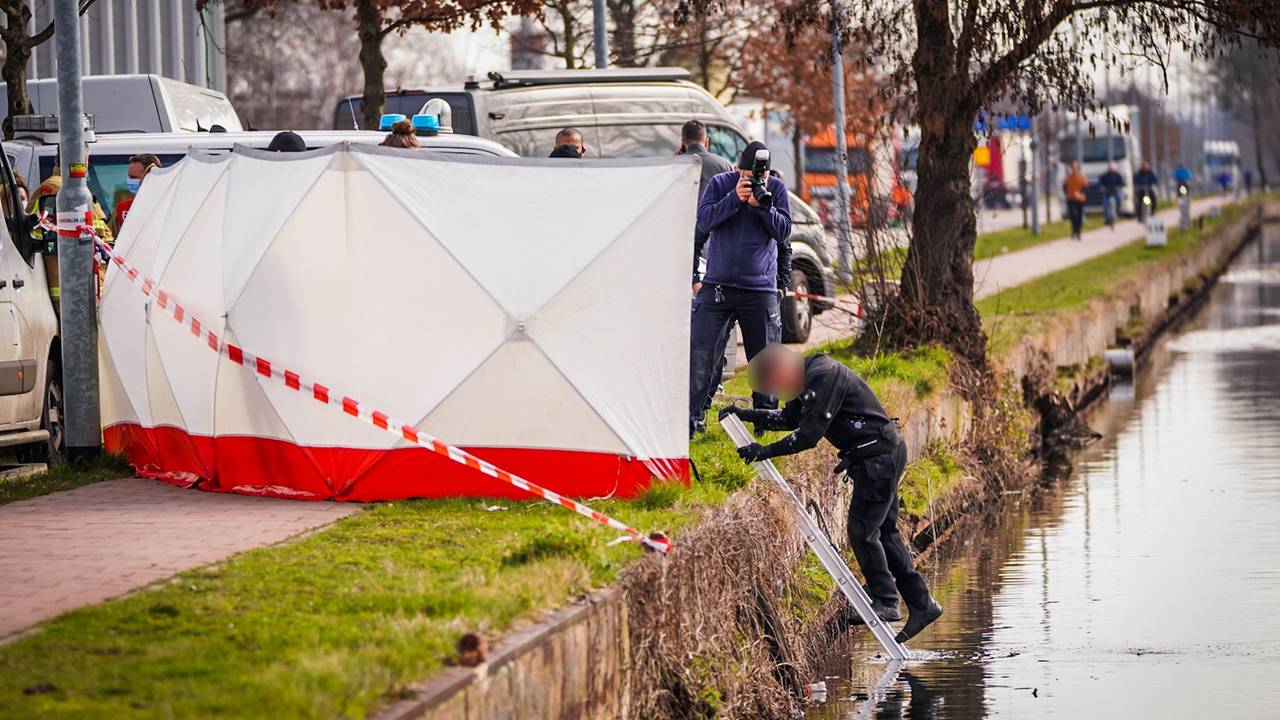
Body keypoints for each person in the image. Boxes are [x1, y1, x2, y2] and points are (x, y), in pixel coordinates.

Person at [721, 344, 943, 643]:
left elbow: (809, 435)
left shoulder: (823, 377)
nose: (781, 392)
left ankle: (886, 601)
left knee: (863, 530)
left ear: (785, 370)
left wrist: (764, 452)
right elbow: (791, 419)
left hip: (879, 458)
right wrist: (747, 415)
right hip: (879, 455)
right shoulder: (810, 377)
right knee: (885, 532)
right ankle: (922, 604)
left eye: (777, 386)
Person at [688, 141, 792, 435]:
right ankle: (692, 421)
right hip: (717, 286)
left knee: (766, 361)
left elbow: (784, 234)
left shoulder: (777, 190)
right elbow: (704, 221)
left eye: (762, 176)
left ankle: (766, 423)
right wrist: (734, 199)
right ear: (737, 169)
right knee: (701, 355)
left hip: (759, 290)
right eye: (749, 176)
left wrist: (763, 208)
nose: (757, 181)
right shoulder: (722, 184)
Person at [27, 146, 114, 314]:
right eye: (86, 159)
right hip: (70, 286)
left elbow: (100, 234)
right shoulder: (60, 189)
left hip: (80, 284)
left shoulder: (75, 189)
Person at [110, 153, 161, 236]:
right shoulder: (123, 208)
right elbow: (110, 241)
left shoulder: (168, 205)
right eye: (129, 177)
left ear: (151, 178)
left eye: (134, 177)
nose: (130, 181)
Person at [1062, 161, 1088, 240]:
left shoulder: (1082, 176)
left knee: (1079, 216)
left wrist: (1080, 193)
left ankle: (1078, 232)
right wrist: (1067, 193)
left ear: (1078, 168)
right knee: (1073, 216)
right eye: (1073, 167)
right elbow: (1064, 187)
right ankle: (1074, 230)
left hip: (1080, 199)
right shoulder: (1068, 177)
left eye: (1075, 167)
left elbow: (1086, 187)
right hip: (1071, 199)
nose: (1074, 169)